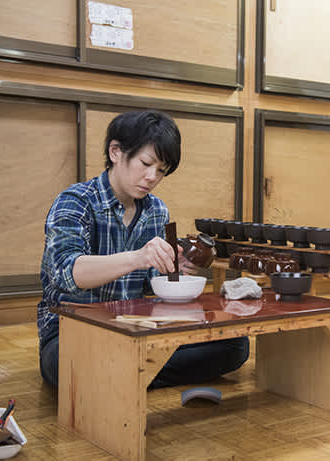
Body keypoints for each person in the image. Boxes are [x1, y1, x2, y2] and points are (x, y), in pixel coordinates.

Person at [37, 109, 249, 389]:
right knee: (66, 365)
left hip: (138, 327)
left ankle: (125, 375)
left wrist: (178, 272)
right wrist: (137, 258)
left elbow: (152, 287)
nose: (152, 177)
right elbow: (67, 273)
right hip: (74, 329)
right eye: (145, 163)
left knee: (235, 346)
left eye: (161, 170)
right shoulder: (75, 201)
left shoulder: (156, 210)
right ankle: (137, 371)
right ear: (116, 151)